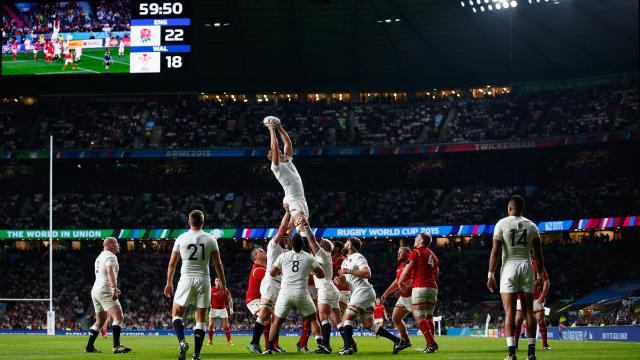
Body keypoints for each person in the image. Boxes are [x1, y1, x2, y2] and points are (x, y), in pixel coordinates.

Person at [487, 195, 545, 360]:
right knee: (529, 312)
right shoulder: (532, 225)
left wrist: (490, 274)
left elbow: (496, 252)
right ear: (522, 208)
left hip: (509, 268)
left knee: (510, 313)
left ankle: (512, 353)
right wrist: (539, 274)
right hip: (526, 267)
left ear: (509, 208)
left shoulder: (502, 224)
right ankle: (531, 352)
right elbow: (538, 254)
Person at [164, 210, 226, 360]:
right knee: (201, 319)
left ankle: (182, 341)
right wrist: (223, 282)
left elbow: (172, 263)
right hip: (204, 279)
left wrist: (169, 282)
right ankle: (196, 355)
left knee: (176, 314)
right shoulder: (210, 239)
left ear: (189, 221)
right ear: (203, 222)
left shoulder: (181, 238)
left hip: (186, 278)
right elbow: (217, 263)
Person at [337, 237, 409, 355]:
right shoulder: (345, 262)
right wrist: (338, 282)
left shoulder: (358, 257)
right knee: (368, 324)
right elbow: (346, 283)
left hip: (363, 291)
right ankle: (398, 341)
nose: (344, 244)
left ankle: (347, 347)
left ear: (350, 245)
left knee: (347, 317)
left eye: (346, 243)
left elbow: (367, 273)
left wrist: (349, 271)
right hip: (360, 292)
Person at [262, 233, 327, 354]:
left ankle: (269, 347)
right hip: (301, 293)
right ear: (303, 244)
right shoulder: (309, 257)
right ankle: (320, 345)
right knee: (313, 319)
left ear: (291, 244)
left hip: (285, 293)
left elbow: (272, 273)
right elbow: (322, 274)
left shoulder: (283, 256)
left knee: (276, 321)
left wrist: (284, 271)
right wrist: (312, 271)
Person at [246, 206, 291, 354]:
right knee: (266, 315)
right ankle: (255, 343)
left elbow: (288, 231)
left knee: (275, 318)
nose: (263, 251)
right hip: (262, 292)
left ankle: (271, 345)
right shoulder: (270, 250)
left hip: (275, 289)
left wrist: (296, 220)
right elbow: (283, 227)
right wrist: (288, 212)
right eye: (260, 251)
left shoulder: (282, 251)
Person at [300, 220, 342, 353]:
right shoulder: (324, 257)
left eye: (320, 243)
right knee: (338, 321)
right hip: (330, 288)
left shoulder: (323, 254)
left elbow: (312, 241)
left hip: (325, 288)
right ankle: (350, 343)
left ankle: (326, 346)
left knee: (324, 318)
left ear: (323, 247)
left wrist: (306, 227)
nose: (317, 244)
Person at [85, 237, 131, 354]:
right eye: (116, 243)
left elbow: (102, 275)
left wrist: (114, 286)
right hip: (105, 290)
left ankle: (89, 347)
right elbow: (110, 271)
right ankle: (116, 346)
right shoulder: (111, 256)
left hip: (95, 290)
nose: (118, 245)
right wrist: (113, 288)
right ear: (110, 245)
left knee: (100, 321)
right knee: (118, 317)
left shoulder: (99, 257)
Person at [265, 116, 309, 235]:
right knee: (302, 228)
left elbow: (287, 142)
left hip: (301, 199)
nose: (281, 152)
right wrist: (271, 130)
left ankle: (288, 241)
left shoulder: (288, 160)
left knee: (295, 230)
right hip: (293, 199)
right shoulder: (276, 166)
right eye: (278, 152)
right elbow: (274, 148)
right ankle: (298, 249)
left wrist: (279, 128)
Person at [398, 233, 439, 353]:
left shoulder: (416, 252)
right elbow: (436, 274)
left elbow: (407, 269)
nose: (415, 239)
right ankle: (430, 344)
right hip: (432, 288)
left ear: (421, 240)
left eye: (416, 238)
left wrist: (400, 282)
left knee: (419, 316)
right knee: (429, 317)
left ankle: (431, 343)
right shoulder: (433, 255)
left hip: (420, 287)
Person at [515, 258, 550, 350]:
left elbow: (546, 281)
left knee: (541, 321)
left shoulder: (538, 265)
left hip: (536, 299)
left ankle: (545, 344)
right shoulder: (517, 265)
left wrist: (542, 296)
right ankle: (515, 345)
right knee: (518, 321)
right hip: (521, 298)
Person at [381, 247, 412, 345]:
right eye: (398, 253)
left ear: (408, 254)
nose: (398, 254)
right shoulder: (400, 267)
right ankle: (405, 341)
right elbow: (396, 282)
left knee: (423, 319)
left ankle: (430, 342)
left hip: (414, 296)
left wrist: (405, 288)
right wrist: (386, 293)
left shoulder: (412, 264)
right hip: (404, 297)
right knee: (396, 318)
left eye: (400, 252)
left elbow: (415, 279)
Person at [331, 240, 357, 352]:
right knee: (338, 319)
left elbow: (341, 278)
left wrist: (335, 279)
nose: (331, 247)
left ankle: (350, 344)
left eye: (333, 246)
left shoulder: (340, 259)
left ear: (337, 248)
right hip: (337, 291)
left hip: (342, 291)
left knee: (337, 318)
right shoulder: (334, 259)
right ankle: (350, 343)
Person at [208, 278, 234, 346]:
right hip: (213, 309)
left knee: (226, 326)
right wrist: (208, 304)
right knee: (210, 325)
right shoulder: (211, 289)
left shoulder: (225, 289)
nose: (218, 282)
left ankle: (229, 341)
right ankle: (210, 340)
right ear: (214, 282)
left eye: (219, 280)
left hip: (222, 309)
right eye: (217, 280)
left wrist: (231, 309)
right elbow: (207, 297)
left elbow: (230, 299)